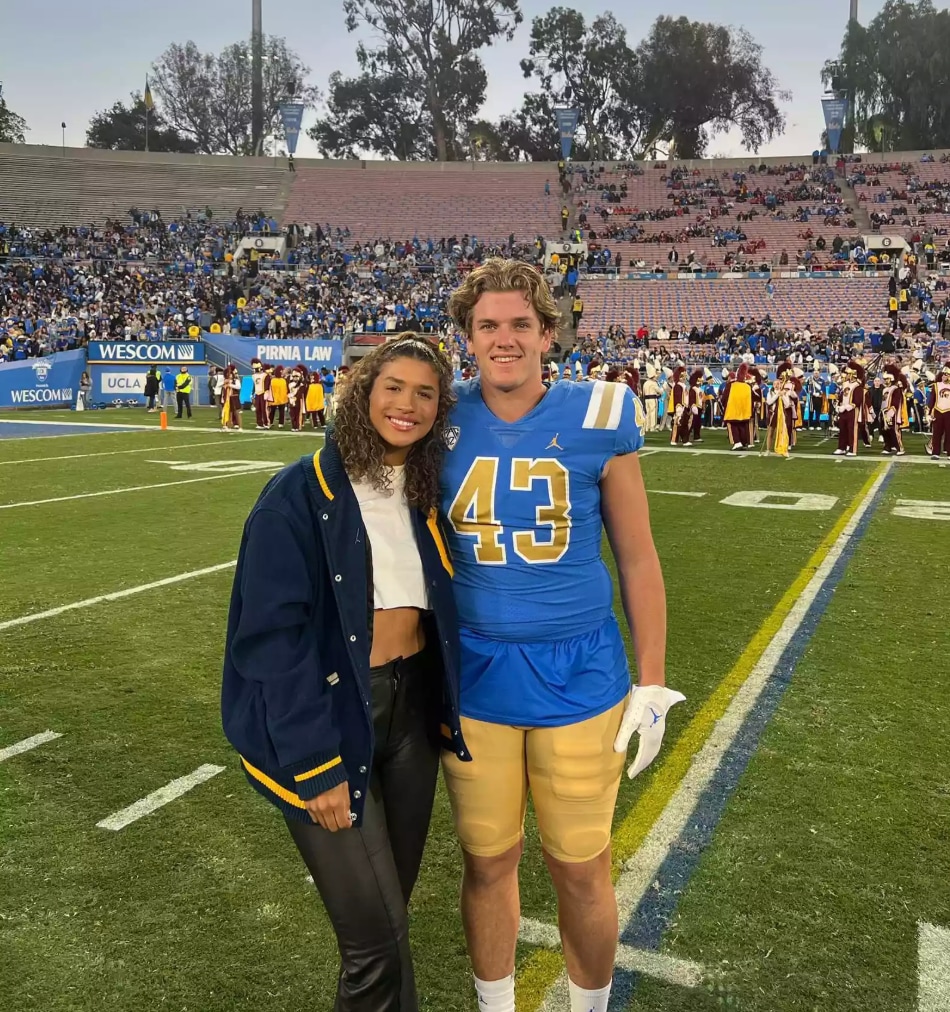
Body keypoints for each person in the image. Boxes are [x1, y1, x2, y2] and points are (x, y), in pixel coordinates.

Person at [440, 258, 682, 1012]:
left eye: (520, 324)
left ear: (548, 332)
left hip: (580, 672)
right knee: (487, 863)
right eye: (488, 325)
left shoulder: (599, 414)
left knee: (581, 869)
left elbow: (638, 557)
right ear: (468, 337)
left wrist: (651, 678)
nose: (504, 338)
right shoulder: (439, 417)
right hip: (473, 672)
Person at [221, 334, 469, 1011]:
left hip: (410, 714)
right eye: (394, 387)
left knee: (388, 925)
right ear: (364, 390)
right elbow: (271, 640)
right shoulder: (297, 495)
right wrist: (315, 764)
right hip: (333, 720)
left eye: (425, 394)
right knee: (375, 940)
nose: (408, 405)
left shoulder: (423, 492)